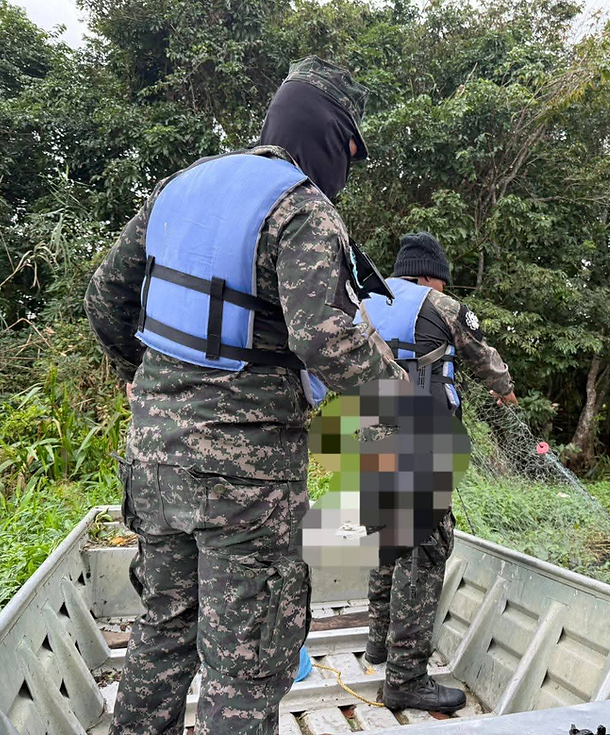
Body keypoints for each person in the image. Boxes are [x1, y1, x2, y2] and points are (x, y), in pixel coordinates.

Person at [84, 55, 405, 735]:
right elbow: (328, 342)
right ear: (327, 134)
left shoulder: (179, 187)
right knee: (246, 656)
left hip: (156, 464)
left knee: (163, 629)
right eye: (350, 149)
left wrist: (149, 389)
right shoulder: (302, 208)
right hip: (245, 485)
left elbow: (104, 300)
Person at [360, 232, 517, 713]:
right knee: (424, 548)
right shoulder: (441, 306)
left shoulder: (364, 301)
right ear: (430, 276)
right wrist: (505, 392)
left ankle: (378, 645)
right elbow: (483, 359)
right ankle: (406, 677)